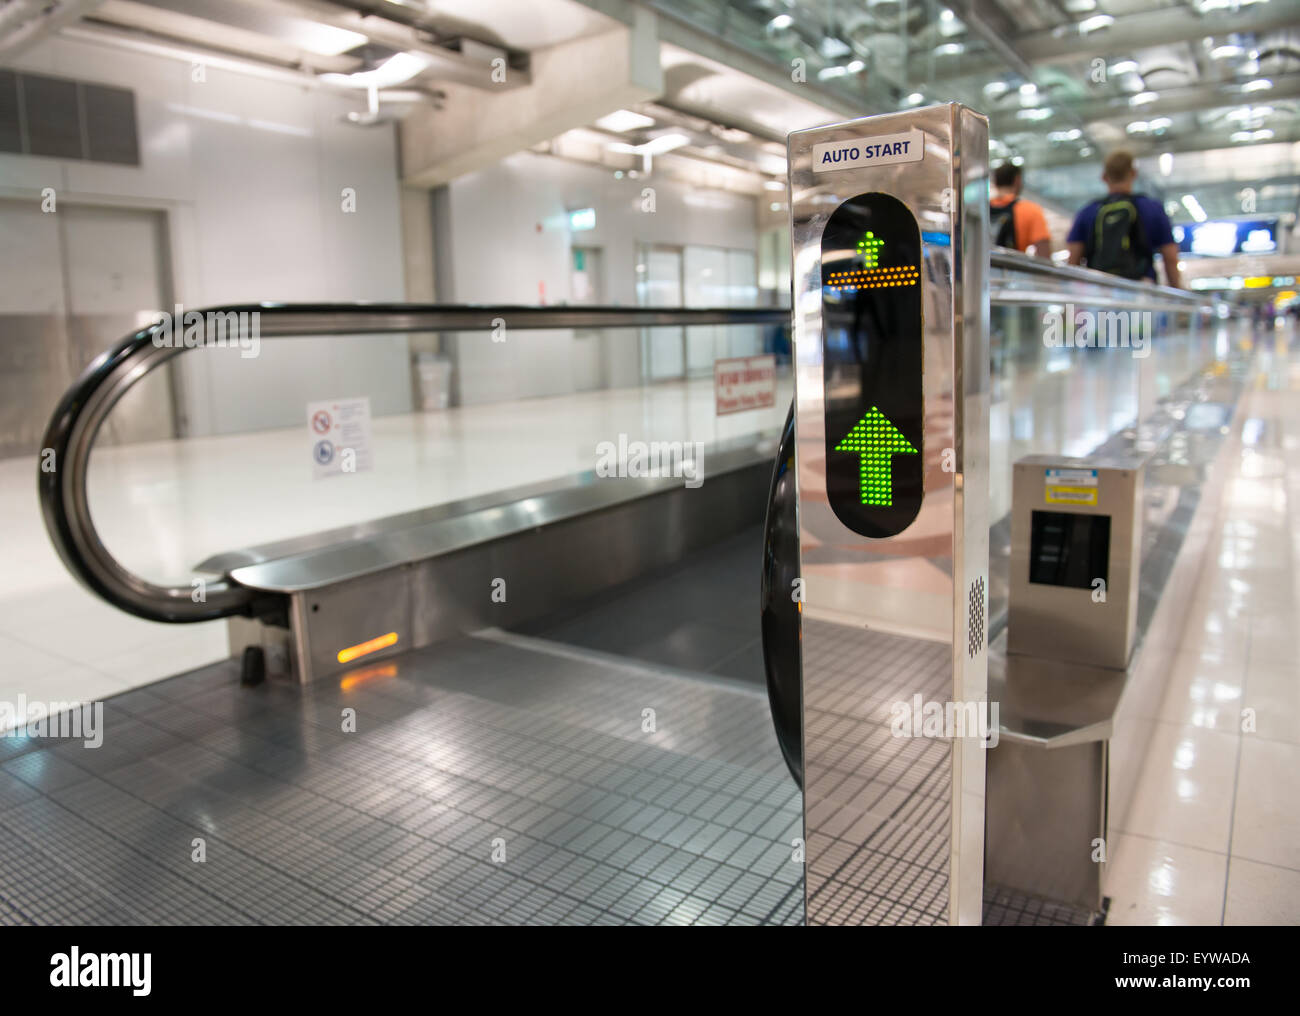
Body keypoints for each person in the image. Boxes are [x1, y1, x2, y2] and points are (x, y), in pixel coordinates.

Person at [1067, 150, 1182, 288]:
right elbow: (1170, 258)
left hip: (1099, 289)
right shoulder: (1152, 209)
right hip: (1141, 287)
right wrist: (1177, 293)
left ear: (1104, 177)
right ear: (1133, 174)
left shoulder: (1088, 212)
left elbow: (1073, 262)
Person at [989, 162, 1052, 258]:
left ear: (995, 181)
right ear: (1017, 180)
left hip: (979, 269)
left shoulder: (979, 211)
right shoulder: (1030, 210)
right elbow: (1044, 253)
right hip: (1012, 269)